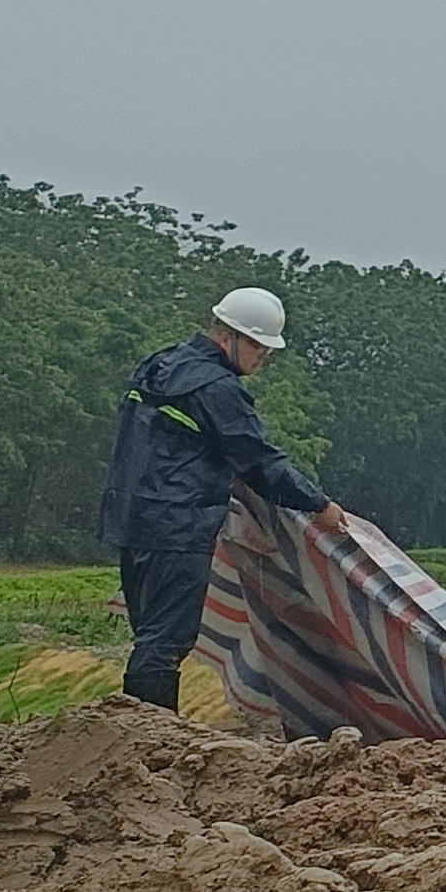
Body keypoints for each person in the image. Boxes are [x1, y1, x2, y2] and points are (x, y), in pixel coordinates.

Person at [98, 287, 351, 710]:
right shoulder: (216, 387)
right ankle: (149, 735)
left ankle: (137, 729)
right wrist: (318, 505)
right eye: (258, 347)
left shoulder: (159, 364)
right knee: (166, 641)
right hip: (178, 525)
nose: (262, 358)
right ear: (229, 337)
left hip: (130, 518)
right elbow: (259, 461)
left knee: (149, 634)